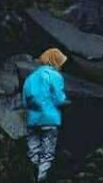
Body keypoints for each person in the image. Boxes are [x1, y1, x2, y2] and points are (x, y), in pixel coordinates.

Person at [22, 46, 68, 181]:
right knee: (47, 152)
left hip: (33, 120)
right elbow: (59, 98)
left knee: (34, 150)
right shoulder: (55, 76)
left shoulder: (30, 77)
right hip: (49, 119)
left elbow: (25, 101)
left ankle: (30, 175)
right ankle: (41, 178)